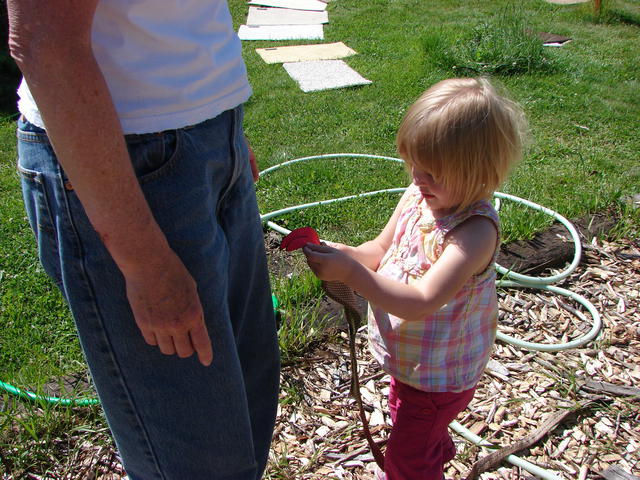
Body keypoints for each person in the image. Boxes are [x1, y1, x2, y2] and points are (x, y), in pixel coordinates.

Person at [7, 1, 280, 478]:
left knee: (248, 415)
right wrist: (145, 264)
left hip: (212, 137)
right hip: (130, 166)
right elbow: (45, 42)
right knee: (204, 464)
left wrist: (223, 134)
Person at [303, 77, 526, 480]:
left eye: (432, 172)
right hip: (415, 365)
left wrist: (351, 274)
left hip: (438, 377)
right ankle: (433, 446)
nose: (418, 178)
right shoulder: (420, 194)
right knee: (410, 423)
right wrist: (346, 255)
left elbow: (422, 299)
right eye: (414, 165)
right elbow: (380, 249)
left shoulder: (473, 233)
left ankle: (425, 456)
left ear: (480, 173)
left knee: (405, 463)